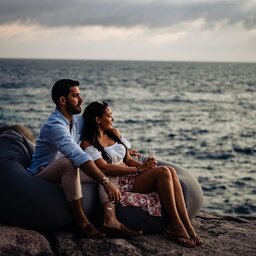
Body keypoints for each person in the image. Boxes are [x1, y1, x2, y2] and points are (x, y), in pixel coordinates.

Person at [81, 101, 203, 247]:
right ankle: (176, 225)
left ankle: (187, 225)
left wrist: (144, 167)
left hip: (130, 174)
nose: (112, 119)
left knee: (170, 171)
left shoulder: (114, 133)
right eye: (109, 116)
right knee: (164, 171)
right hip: (118, 181)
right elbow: (106, 169)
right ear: (97, 119)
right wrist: (140, 170)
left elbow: (128, 160)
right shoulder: (88, 144)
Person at [27, 79, 121, 238]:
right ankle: (81, 222)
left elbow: (96, 128)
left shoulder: (76, 120)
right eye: (76, 96)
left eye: (80, 95)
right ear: (63, 100)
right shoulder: (54, 125)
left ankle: (110, 220)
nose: (81, 99)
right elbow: (77, 155)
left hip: (66, 173)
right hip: (43, 173)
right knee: (70, 162)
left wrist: (122, 143)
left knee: (106, 167)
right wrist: (104, 182)